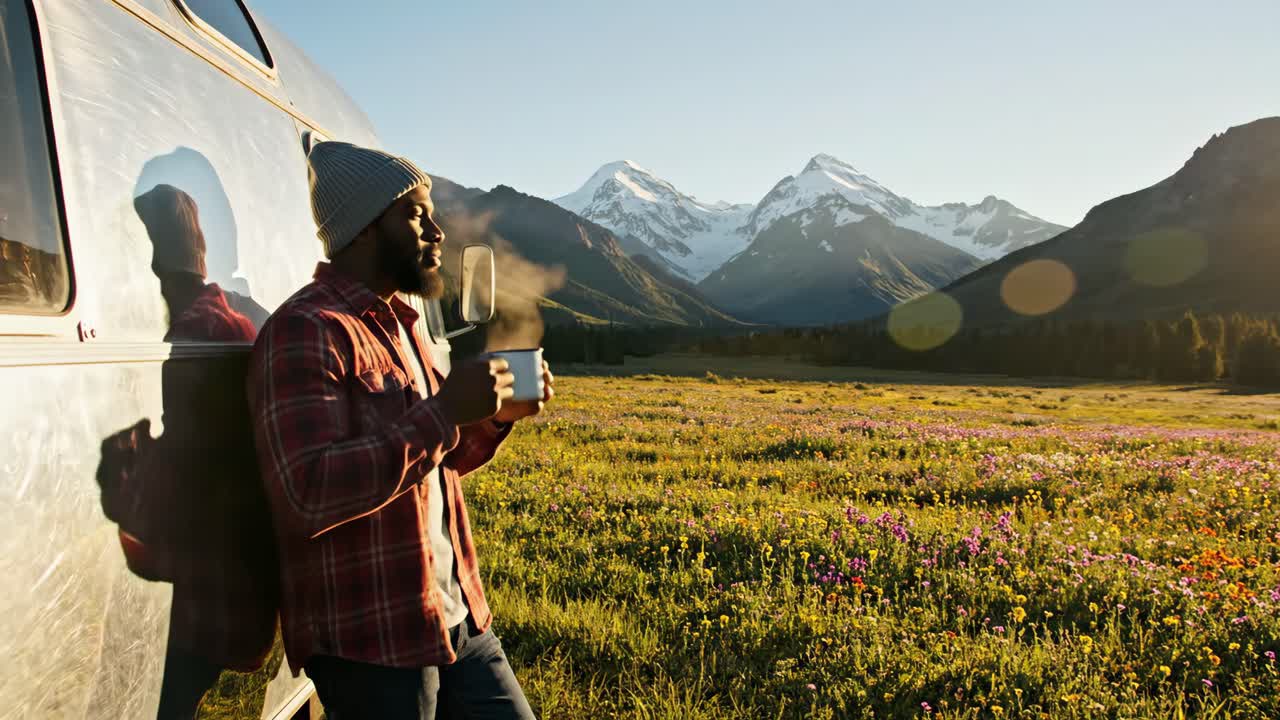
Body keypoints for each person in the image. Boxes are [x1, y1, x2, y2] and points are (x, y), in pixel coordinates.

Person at [247, 141, 551, 720]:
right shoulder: (305, 331)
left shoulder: (405, 325)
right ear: (363, 229)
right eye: (415, 214)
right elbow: (308, 491)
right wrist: (443, 412)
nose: (437, 231)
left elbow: (438, 456)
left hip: (457, 618)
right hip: (373, 645)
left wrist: (492, 415)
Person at [98, 183, 279, 720]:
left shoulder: (193, 333)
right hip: (228, 577)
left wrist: (122, 463)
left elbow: (189, 479)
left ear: (145, 252)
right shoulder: (219, 317)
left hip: (206, 587)